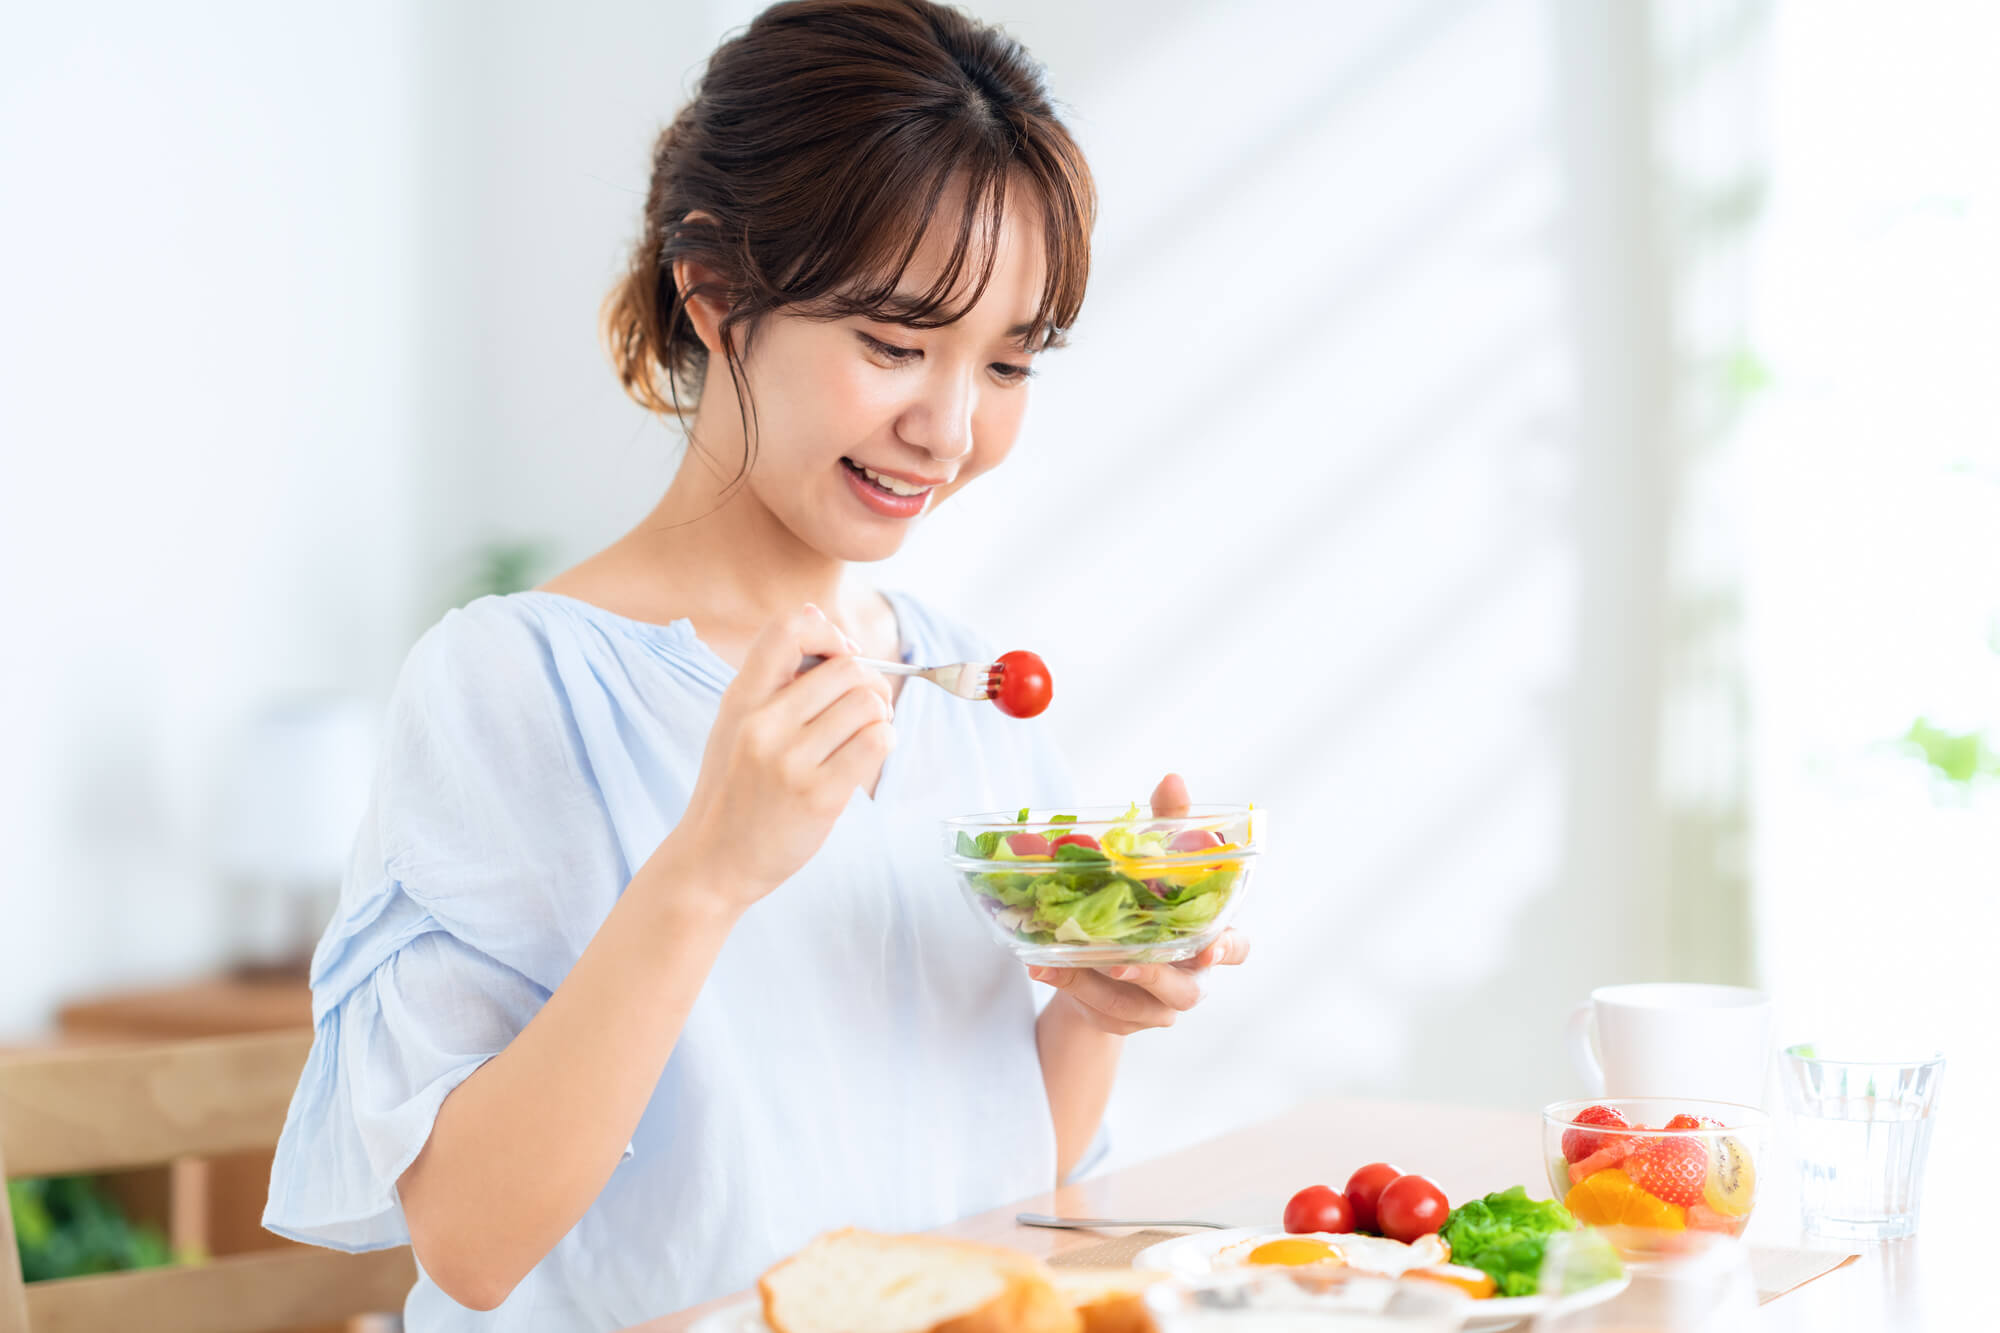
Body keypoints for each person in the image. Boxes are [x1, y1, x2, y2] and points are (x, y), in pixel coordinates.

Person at [264, 2, 1249, 1327]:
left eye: (1007, 361)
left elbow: (998, 1208)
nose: (949, 427)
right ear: (716, 286)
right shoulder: (514, 683)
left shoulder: (964, 687)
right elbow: (471, 1244)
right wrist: (710, 866)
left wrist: (1093, 1013)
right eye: (895, 344)